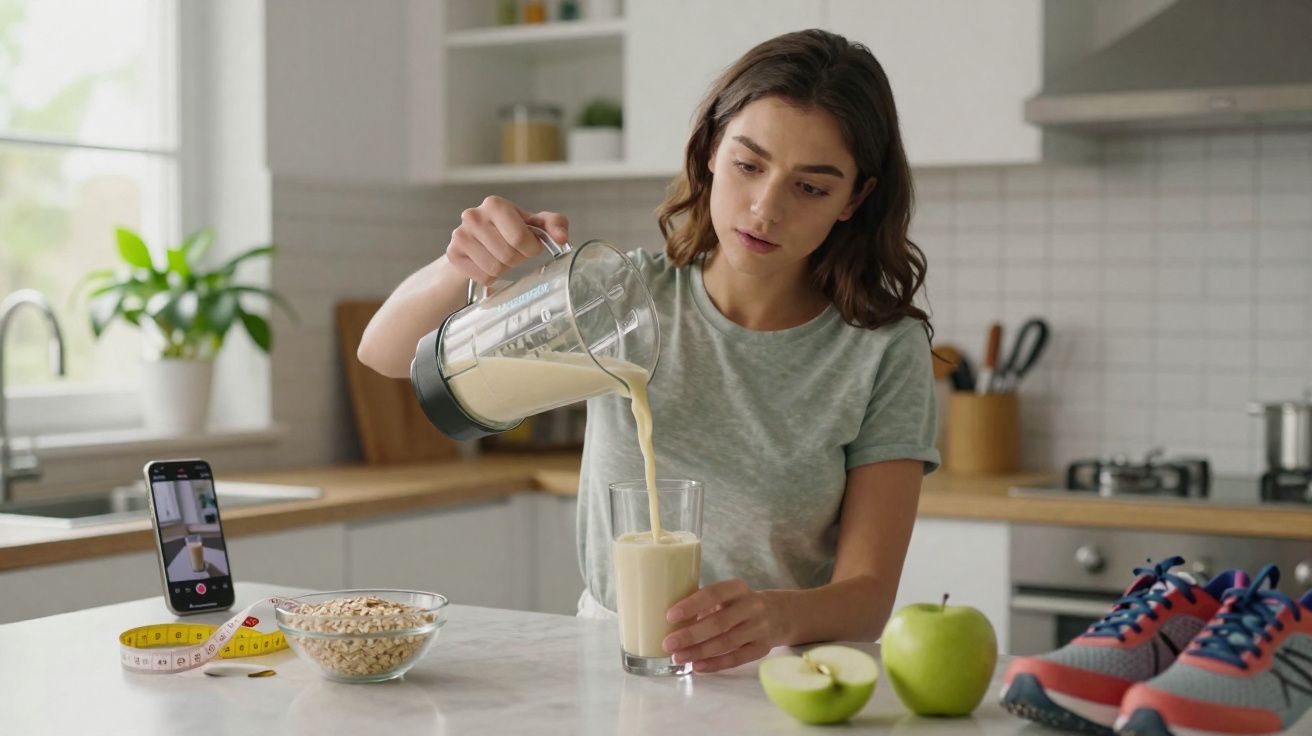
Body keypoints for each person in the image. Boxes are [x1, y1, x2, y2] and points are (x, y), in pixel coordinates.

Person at [357, 28, 939, 674]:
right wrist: (459, 265)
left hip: (780, 675)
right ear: (713, 150)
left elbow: (867, 595)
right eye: (749, 165)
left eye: (811, 188)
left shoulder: (883, 351)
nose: (764, 209)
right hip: (610, 663)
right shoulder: (620, 300)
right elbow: (383, 352)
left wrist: (777, 617)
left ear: (855, 198)